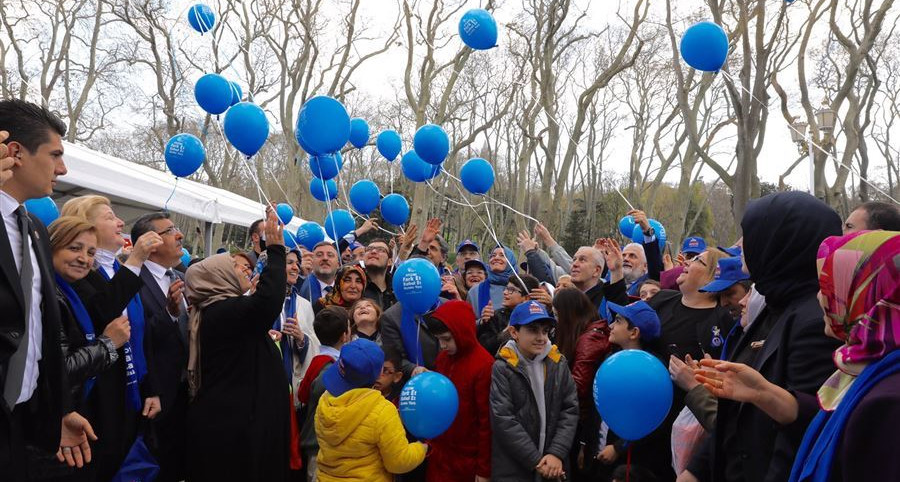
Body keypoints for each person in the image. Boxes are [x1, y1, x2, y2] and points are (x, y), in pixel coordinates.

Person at [694, 230, 899, 481]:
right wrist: (764, 393)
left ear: (864, 296)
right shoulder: (865, 365)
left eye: (831, 287)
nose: (819, 297)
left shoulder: (888, 402)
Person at [682, 191, 843, 482]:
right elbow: (735, 409)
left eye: (751, 234)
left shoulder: (815, 322)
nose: (740, 245)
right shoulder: (774, 305)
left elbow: (798, 437)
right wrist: (697, 470)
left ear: (781, 242)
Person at [0, 100, 96, 481]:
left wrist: (59, 408)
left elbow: (41, 332)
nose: (63, 169)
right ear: (15, 152)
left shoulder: (35, 229)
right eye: (55, 155)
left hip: (20, 430)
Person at [185, 210, 290, 481]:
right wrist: (276, 251)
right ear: (217, 277)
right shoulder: (221, 311)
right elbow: (267, 303)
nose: (244, 269)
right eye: (234, 266)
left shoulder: (219, 309)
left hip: (242, 421)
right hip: (238, 429)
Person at [129, 212, 190, 481]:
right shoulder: (133, 280)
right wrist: (169, 314)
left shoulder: (183, 276)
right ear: (151, 243)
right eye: (170, 231)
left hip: (187, 392)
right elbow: (136, 338)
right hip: (155, 397)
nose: (180, 235)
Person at [490, 300, 579, 481]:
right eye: (533, 330)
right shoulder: (503, 367)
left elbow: (570, 409)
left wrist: (556, 452)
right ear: (514, 332)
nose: (541, 338)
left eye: (545, 331)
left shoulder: (558, 362)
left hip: (553, 465)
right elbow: (503, 419)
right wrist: (536, 461)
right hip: (514, 468)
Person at [314, 339, 427, 481]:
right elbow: (398, 463)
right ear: (378, 373)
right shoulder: (382, 410)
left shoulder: (325, 400)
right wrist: (421, 448)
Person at [598, 300, 670, 480]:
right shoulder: (611, 360)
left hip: (636, 462)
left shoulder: (653, 370)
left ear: (634, 332)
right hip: (603, 450)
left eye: (618, 321)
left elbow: (653, 420)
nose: (611, 326)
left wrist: (619, 447)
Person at [426, 301, 493, 482]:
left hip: (467, 460)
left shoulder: (484, 365)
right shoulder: (443, 359)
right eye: (439, 339)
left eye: (447, 339)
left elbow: (486, 422)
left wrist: (483, 469)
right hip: (439, 454)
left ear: (462, 332)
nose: (442, 345)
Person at [552, 287, 613, 479]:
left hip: (583, 422)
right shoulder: (588, 332)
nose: (556, 321)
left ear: (568, 314)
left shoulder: (590, 340)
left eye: (557, 315)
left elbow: (578, 386)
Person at [298, 306, 353, 481]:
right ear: (345, 336)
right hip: (321, 444)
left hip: (318, 444)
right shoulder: (332, 369)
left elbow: (302, 395)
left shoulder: (316, 361)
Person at [477, 273, 540, 356]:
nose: (505, 292)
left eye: (511, 290)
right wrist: (506, 333)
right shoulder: (496, 316)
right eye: (506, 288)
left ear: (526, 298)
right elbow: (485, 347)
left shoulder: (538, 318)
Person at [570, 240, 630, 314]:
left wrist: (616, 271)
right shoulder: (568, 299)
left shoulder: (606, 299)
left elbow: (619, 314)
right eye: (574, 259)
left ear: (596, 270)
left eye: (582, 260)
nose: (574, 264)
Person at [467, 245, 518, 322]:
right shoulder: (475, 291)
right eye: (493, 255)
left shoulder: (521, 288)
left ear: (511, 261)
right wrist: (481, 321)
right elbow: (467, 323)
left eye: (502, 255)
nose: (496, 258)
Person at [362, 238, 396, 310]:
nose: (373, 251)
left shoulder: (397, 289)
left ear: (389, 261)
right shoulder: (356, 287)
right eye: (369, 249)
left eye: (381, 250)